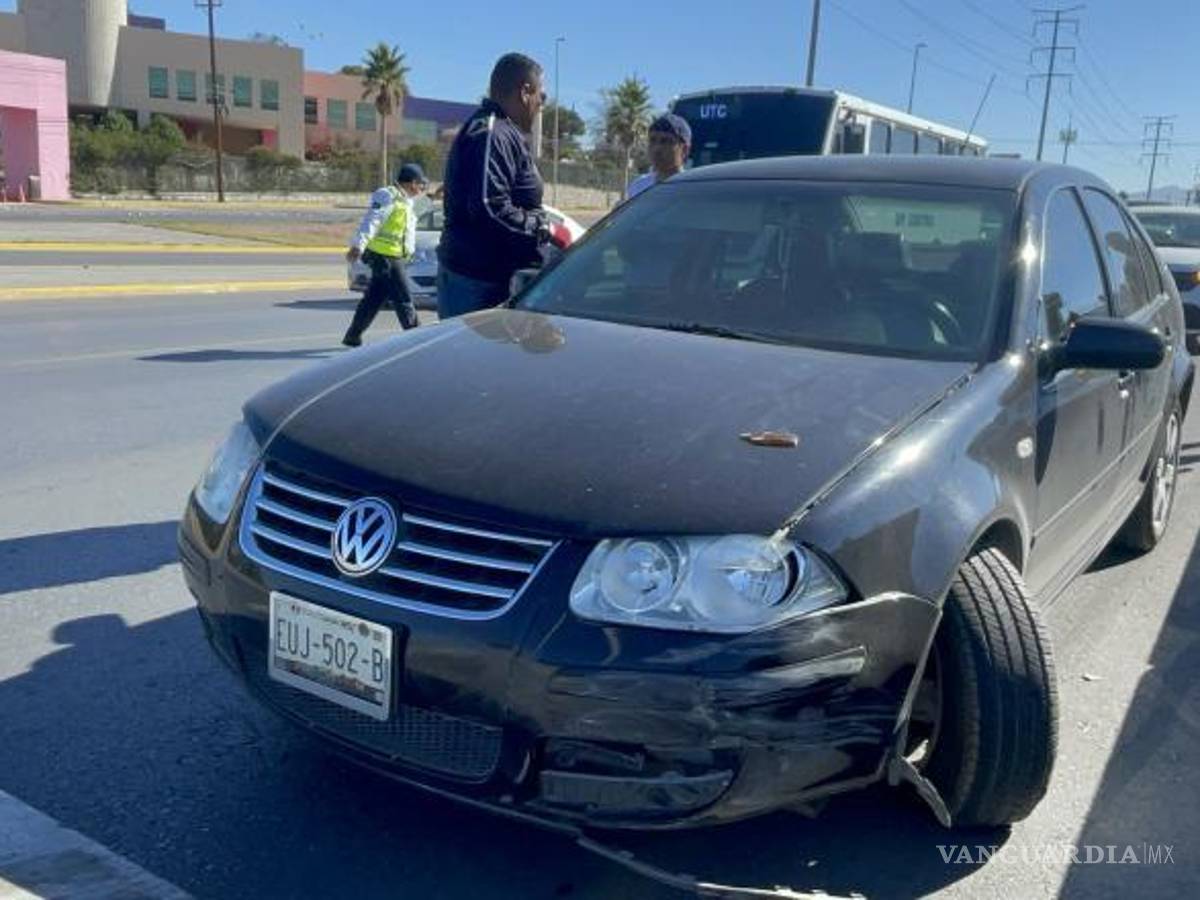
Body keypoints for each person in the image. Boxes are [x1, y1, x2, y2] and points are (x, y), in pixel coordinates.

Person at [437, 52, 568, 319]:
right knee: (475, 361)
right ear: (525, 91)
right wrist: (544, 228)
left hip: (487, 278)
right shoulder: (491, 134)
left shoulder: (501, 131)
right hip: (478, 283)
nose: (541, 104)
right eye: (541, 96)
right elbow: (490, 209)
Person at [342, 163, 428, 347]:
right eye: (421, 185)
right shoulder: (387, 195)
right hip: (384, 257)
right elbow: (372, 220)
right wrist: (358, 245)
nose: (421, 189)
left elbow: (411, 223)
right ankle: (417, 340)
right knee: (404, 298)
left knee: (373, 299)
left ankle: (353, 336)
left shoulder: (406, 201)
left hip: (393, 256)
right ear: (412, 183)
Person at [625, 114, 692, 201]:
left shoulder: (691, 188)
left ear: (684, 149)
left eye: (665, 141)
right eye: (652, 140)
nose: (657, 148)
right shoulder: (638, 187)